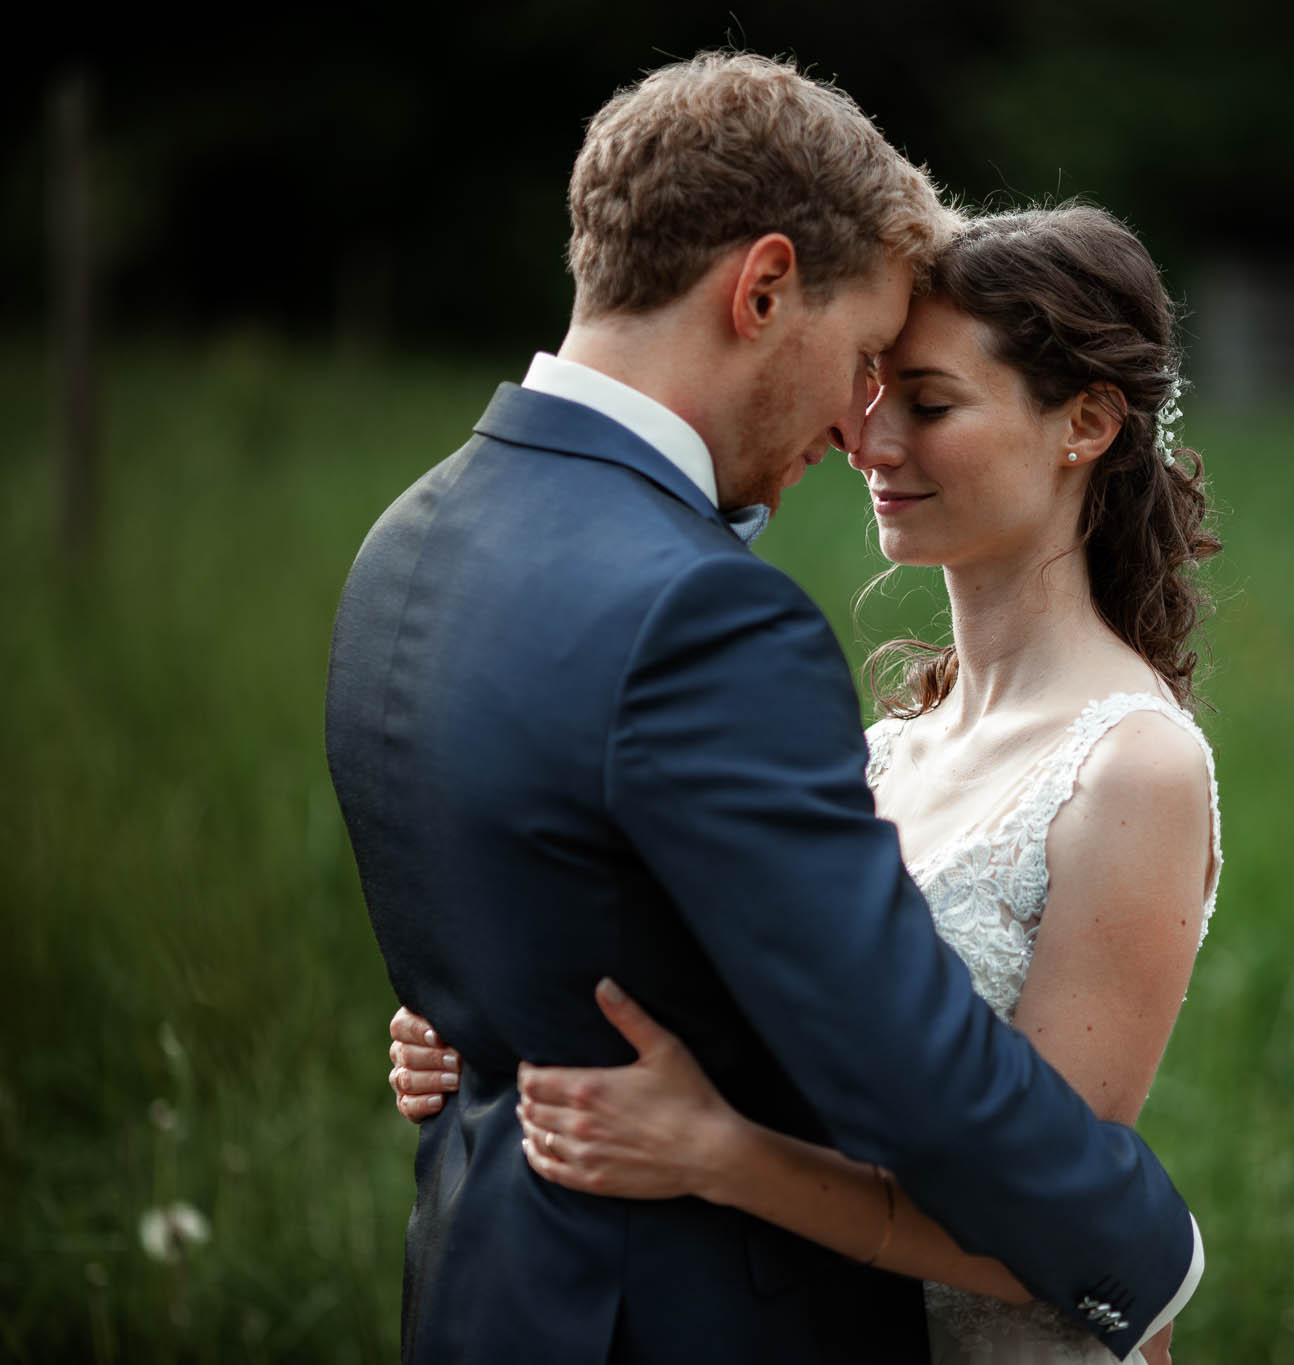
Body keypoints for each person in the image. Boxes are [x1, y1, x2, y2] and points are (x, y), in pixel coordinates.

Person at [325, 53, 1201, 1365]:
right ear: (765, 287)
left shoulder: (405, 542)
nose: (862, 433)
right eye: (865, 364)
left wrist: (511, 1019)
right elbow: (897, 1053)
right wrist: (1152, 1248)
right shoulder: (703, 615)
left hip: (496, 1295)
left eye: (920, 397)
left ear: (1084, 427)